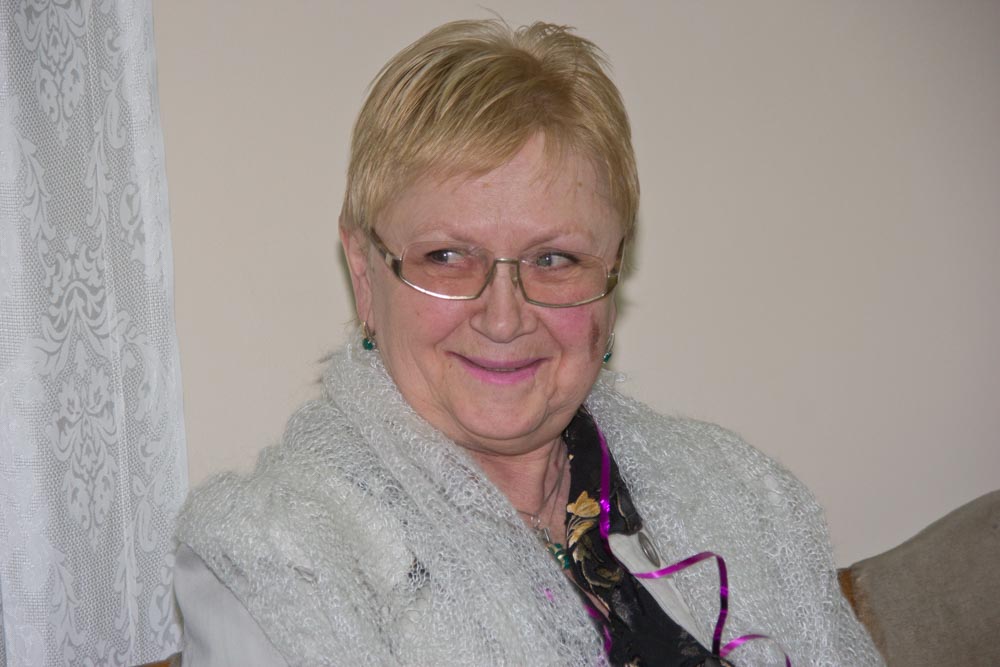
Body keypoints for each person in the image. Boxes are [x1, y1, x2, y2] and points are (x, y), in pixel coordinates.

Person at [174, 18, 882, 666]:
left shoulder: (744, 496)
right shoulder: (275, 563)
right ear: (365, 272)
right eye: (448, 256)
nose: (505, 317)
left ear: (611, 274)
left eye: (554, 259)